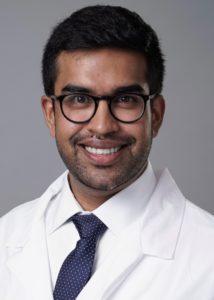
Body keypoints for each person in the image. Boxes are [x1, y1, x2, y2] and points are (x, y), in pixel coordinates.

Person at [0, 5, 214, 300]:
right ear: (51, 115)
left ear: (157, 115)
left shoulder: (207, 258)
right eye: (79, 99)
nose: (102, 126)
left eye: (126, 99)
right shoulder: (6, 235)